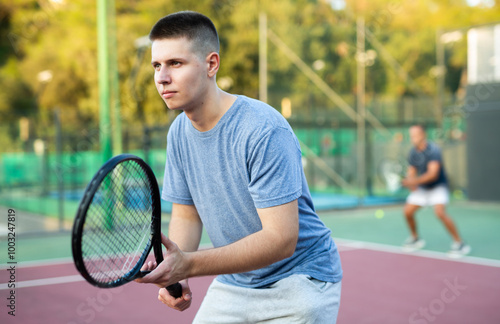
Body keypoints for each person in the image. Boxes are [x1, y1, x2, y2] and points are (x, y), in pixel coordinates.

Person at [135, 11, 343, 323]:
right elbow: (187, 214)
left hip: (299, 282)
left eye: (175, 63)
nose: (162, 77)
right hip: (236, 283)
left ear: (211, 64)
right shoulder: (178, 133)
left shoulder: (262, 129)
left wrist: (188, 264)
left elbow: (281, 239)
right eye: (157, 65)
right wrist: (177, 274)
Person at [401, 124, 470, 257]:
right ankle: (415, 239)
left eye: (415, 135)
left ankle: (459, 243)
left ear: (423, 135)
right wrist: (410, 182)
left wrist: (414, 181)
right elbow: (412, 171)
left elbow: (433, 174)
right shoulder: (413, 152)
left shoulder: (433, 150)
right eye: (411, 136)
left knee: (440, 213)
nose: (412, 138)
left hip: (438, 187)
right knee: (408, 212)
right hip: (423, 189)